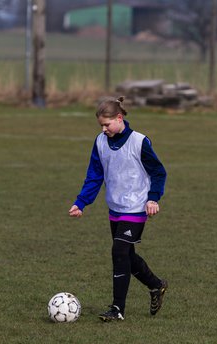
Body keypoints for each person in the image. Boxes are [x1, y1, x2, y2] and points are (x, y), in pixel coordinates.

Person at [69, 96, 168, 322]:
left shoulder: (139, 142)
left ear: (120, 118)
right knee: (127, 255)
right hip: (115, 207)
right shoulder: (100, 142)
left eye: (107, 124)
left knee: (119, 251)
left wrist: (153, 198)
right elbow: (95, 175)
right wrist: (81, 202)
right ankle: (156, 285)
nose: (104, 129)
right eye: (101, 125)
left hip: (136, 207)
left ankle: (117, 309)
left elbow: (159, 172)